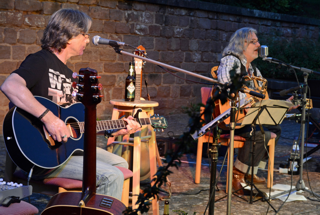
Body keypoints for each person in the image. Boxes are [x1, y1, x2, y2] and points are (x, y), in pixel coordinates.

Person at [0, 8, 141, 200]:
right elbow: (11, 86)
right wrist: (49, 119)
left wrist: (116, 129)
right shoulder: (40, 61)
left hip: (68, 150)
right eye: (84, 34)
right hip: (46, 155)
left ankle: (82, 208)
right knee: (111, 175)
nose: (87, 39)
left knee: (120, 164)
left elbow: (77, 128)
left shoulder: (70, 75)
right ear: (68, 35)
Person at [216, 27, 297, 194]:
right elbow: (225, 82)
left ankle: (250, 172)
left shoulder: (254, 70)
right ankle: (237, 176)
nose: (259, 44)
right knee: (259, 133)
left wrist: (284, 105)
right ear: (242, 44)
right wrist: (244, 99)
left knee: (275, 128)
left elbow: (263, 100)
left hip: (249, 116)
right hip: (232, 115)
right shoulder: (231, 60)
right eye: (254, 41)